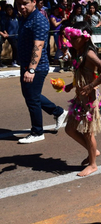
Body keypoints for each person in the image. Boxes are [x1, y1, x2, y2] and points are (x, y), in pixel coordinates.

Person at [64, 21, 101, 176]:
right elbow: (83, 74)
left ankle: (93, 164)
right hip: (80, 98)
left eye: (73, 38)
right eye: (70, 38)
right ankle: (93, 150)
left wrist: (91, 86)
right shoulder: (80, 53)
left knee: (88, 132)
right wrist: (71, 85)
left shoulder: (89, 54)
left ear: (84, 38)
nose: (70, 41)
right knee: (70, 129)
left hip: (89, 100)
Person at [16, 0, 68, 144]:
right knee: (31, 95)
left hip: (36, 67)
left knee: (32, 98)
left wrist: (31, 69)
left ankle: (37, 132)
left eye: (25, 3)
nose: (21, 6)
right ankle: (58, 112)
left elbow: (38, 46)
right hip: (26, 65)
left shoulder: (39, 20)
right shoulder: (24, 17)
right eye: (19, 3)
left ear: (34, 2)